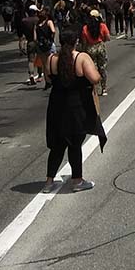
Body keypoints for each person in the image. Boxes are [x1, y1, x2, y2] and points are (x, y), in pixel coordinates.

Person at [42, 28, 106, 194]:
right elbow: (94, 78)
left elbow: (48, 78)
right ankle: (77, 180)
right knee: (74, 144)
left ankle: (49, 182)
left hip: (56, 106)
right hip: (76, 106)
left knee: (57, 144)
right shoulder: (81, 57)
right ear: (76, 41)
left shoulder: (51, 59)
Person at [81, 10, 111, 96]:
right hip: (100, 46)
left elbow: (84, 41)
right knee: (102, 68)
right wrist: (102, 41)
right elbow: (108, 37)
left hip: (90, 48)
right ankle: (104, 88)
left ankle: (95, 88)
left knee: (92, 68)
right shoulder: (102, 26)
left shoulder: (85, 28)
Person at [35, 8, 57, 89]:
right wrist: (51, 38)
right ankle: (54, 79)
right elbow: (53, 31)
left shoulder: (37, 24)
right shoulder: (49, 22)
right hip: (49, 44)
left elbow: (35, 38)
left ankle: (47, 81)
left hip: (41, 46)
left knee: (44, 65)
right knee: (52, 62)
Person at [22, 5, 40, 85]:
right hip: (38, 41)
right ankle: (40, 74)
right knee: (40, 58)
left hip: (29, 41)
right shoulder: (37, 20)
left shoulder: (24, 21)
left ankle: (31, 74)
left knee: (31, 60)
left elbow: (22, 33)